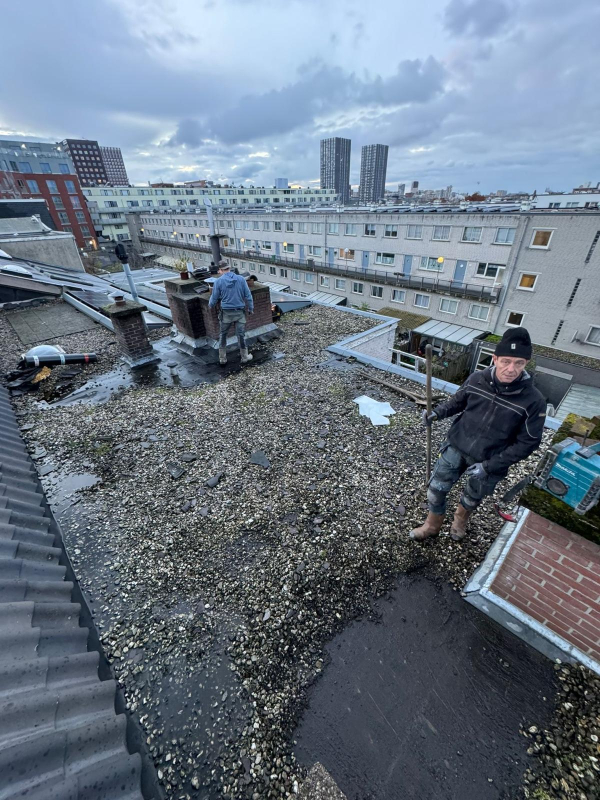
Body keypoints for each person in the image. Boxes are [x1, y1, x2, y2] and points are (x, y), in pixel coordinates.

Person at [410, 327, 546, 543]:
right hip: (456, 445)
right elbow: (458, 402)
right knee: (436, 488)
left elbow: (528, 442)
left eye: (518, 363)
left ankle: (460, 521)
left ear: (525, 364)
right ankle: (432, 525)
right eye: (506, 361)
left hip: (490, 458)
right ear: (495, 359)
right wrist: (436, 413)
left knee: (472, 497)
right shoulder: (477, 379)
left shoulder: (533, 400)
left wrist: (490, 466)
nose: (511, 369)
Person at [208, 260, 254, 365]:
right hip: (239, 313)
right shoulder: (241, 279)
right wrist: (251, 309)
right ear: (229, 268)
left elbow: (214, 298)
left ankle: (222, 359)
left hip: (226, 314)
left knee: (223, 335)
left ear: (220, 270)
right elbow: (248, 296)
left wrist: (210, 306)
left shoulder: (218, 282)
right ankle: (244, 357)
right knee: (241, 335)